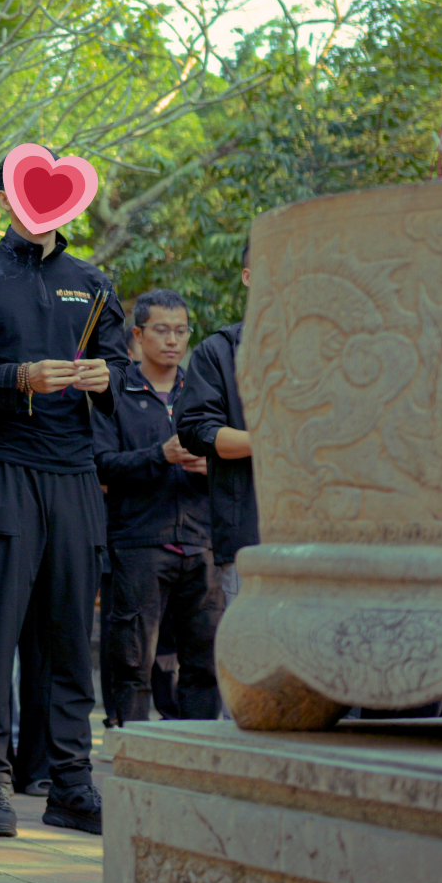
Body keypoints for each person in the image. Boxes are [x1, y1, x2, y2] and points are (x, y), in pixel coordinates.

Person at [0, 152, 127, 839]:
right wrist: (18, 376)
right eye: (21, 193)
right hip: (2, 468)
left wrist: (105, 377)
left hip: (76, 473)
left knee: (72, 635)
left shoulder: (92, 282)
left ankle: (69, 780)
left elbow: (124, 370)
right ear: (3, 198)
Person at [95, 289, 219, 727]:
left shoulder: (202, 391)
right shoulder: (115, 392)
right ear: (138, 334)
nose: (173, 340)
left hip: (202, 542)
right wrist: (159, 456)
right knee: (133, 658)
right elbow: (100, 463)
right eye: (162, 330)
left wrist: (211, 466)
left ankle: (200, 751)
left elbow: (232, 454)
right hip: (139, 542)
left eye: (181, 331)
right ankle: (130, 743)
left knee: (204, 661)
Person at [174, 247, 255, 594]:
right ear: (248, 277)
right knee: (253, 644)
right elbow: (197, 430)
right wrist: (272, 440)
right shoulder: (218, 351)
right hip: (248, 539)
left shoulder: (324, 347)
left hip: (323, 535)